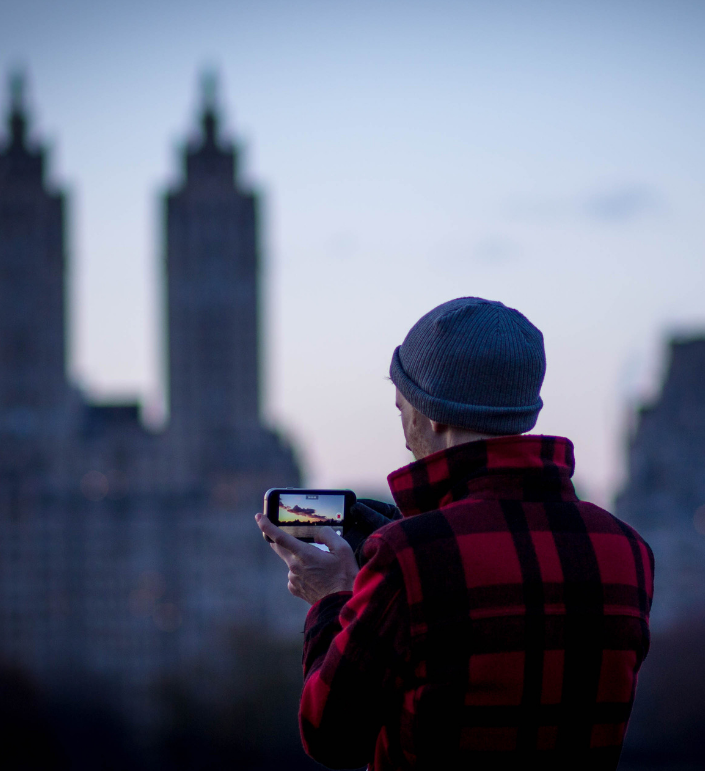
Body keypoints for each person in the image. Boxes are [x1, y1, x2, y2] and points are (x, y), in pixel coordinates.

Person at [256, 297, 653, 771]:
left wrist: (333, 597)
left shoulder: (409, 557)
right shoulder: (628, 549)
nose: (404, 434)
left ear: (433, 414)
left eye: (401, 407)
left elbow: (331, 736)